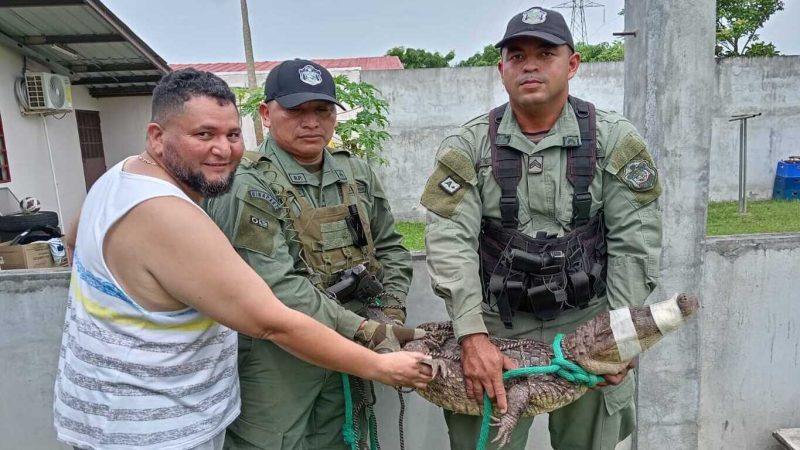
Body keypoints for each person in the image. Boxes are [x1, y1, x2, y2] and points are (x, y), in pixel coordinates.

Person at [54, 68, 431, 450]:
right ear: (157, 137)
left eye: (231, 135)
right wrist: (378, 358)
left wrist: (387, 311)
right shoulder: (175, 210)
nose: (222, 149)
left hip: (140, 411)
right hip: (150, 426)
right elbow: (273, 320)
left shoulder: (120, 176)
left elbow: (74, 237)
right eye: (203, 134)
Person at [420, 7, 663, 450]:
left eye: (545, 53)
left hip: (587, 325)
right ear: (501, 70)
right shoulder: (468, 146)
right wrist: (470, 335)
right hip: (495, 328)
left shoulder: (614, 139)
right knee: (488, 441)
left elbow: (636, 243)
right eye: (516, 56)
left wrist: (620, 334)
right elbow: (449, 242)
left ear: (572, 64)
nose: (529, 65)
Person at [204, 59, 412, 450]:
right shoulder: (248, 183)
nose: (311, 122)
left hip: (350, 346)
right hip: (277, 356)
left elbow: (391, 248)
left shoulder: (357, 174)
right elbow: (276, 285)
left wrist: (390, 310)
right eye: (296, 111)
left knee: (344, 437)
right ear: (266, 114)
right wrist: (362, 329)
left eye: (322, 110)